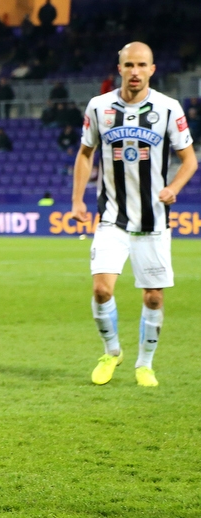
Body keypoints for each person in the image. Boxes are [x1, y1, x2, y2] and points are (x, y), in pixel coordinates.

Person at [69, 41, 197, 388]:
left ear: (152, 70)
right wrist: (77, 201)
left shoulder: (168, 109)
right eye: (129, 65)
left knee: (153, 295)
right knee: (101, 290)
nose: (135, 71)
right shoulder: (99, 107)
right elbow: (85, 153)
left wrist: (173, 188)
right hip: (112, 216)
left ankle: (145, 364)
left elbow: (190, 160)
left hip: (153, 219)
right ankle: (112, 352)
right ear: (120, 68)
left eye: (142, 65)